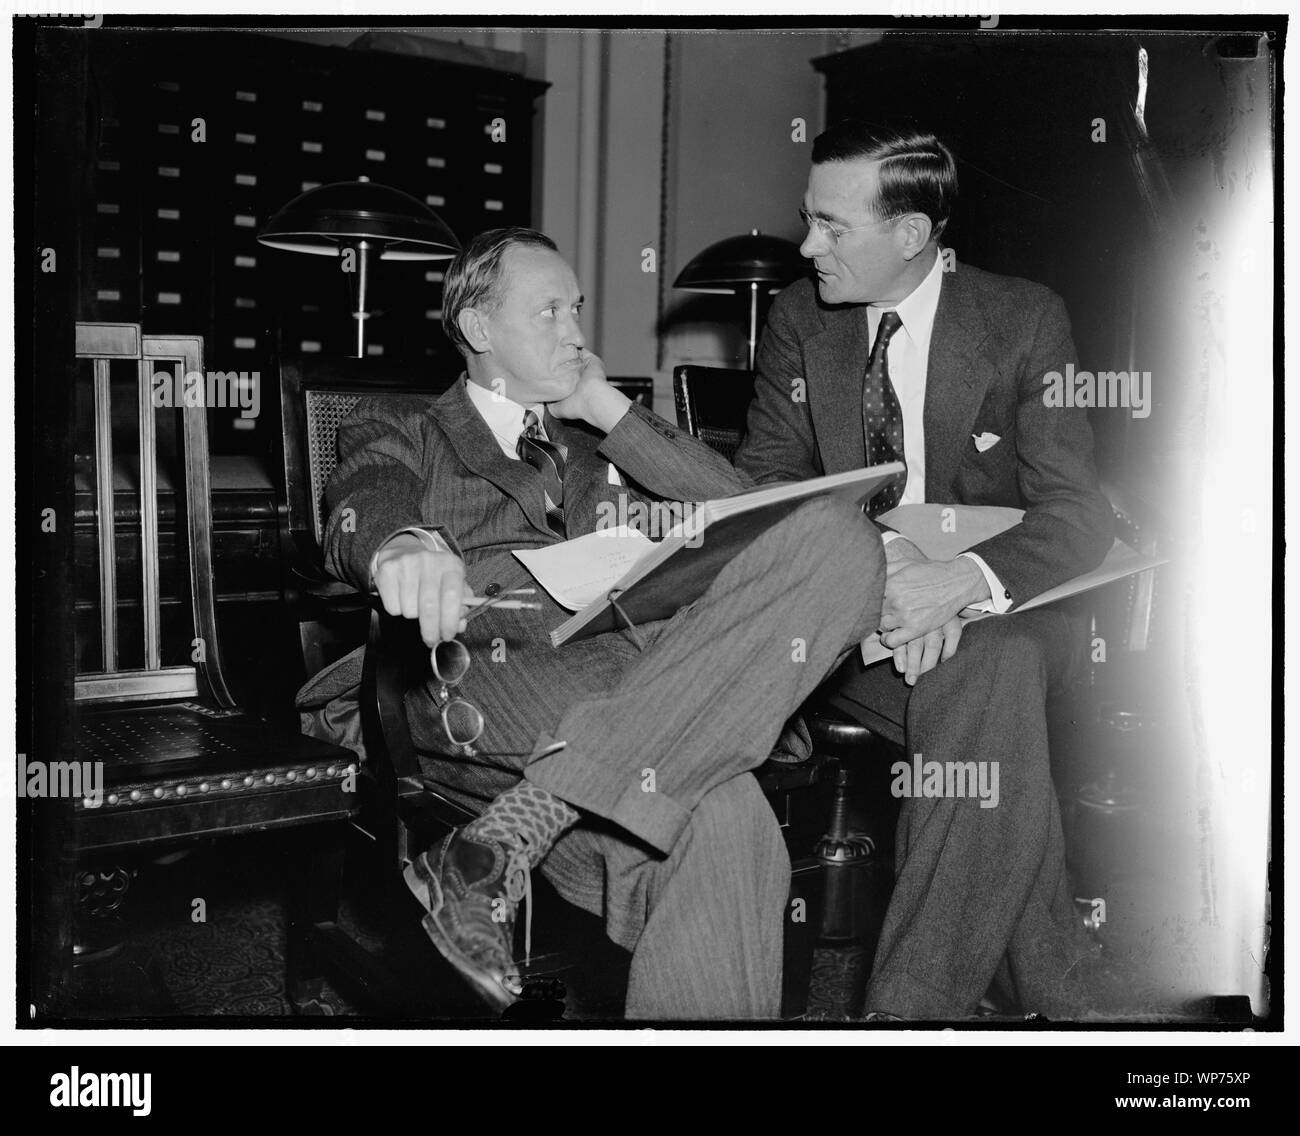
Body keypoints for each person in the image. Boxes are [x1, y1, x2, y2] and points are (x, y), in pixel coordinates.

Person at [298, 227, 887, 1019]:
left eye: (576, 309)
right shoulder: (408, 427)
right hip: (488, 673)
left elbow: (754, 524)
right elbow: (365, 494)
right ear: (478, 329)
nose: (576, 332)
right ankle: (511, 833)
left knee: (840, 539)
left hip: (633, 686)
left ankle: (505, 837)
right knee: (727, 802)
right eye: (549, 312)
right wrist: (405, 545)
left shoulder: (601, 444)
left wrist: (607, 409)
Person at [735, 121, 1116, 1019]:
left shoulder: (1023, 318)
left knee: (991, 663)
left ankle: (906, 1017)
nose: (805, 246)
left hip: (1015, 613)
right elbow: (770, 487)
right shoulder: (800, 318)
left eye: (832, 226)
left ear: (911, 234)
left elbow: (1079, 511)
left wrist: (963, 583)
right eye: (808, 220)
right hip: (857, 625)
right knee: (990, 702)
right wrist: (897, 565)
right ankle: (1064, 995)